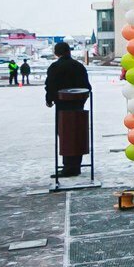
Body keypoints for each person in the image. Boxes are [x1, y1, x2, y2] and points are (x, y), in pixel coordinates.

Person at [44, 42, 91, 175]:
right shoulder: (78, 66)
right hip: (78, 107)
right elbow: (87, 86)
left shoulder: (55, 67)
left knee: (65, 134)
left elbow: (50, 86)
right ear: (69, 51)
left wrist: (49, 99)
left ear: (56, 53)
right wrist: (81, 100)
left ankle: (69, 167)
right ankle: (76, 165)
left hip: (62, 107)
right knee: (77, 135)